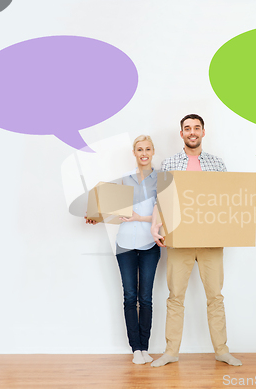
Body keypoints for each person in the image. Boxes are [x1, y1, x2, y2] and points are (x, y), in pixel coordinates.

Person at [150, 114, 242, 367]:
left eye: (196, 128)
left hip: (211, 240)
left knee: (215, 296)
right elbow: (162, 198)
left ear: (203, 132)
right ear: (181, 134)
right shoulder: (169, 163)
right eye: (187, 128)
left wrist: (233, 228)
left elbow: (227, 200)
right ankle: (171, 352)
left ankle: (222, 350)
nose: (192, 132)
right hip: (179, 238)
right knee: (175, 295)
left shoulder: (217, 163)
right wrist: (155, 225)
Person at [85, 135, 160, 365]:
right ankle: (135, 348)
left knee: (145, 298)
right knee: (129, 296)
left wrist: (140, 217)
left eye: (147, 149)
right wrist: (97, 217)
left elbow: (164, 213)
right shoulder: (124, 180)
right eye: (139, 149)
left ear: (153, 152)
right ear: (134, 153)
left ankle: (145, 347)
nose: (143, 153)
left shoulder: (162, 180)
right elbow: (113, 206)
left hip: (150, 245)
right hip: (125, 245)